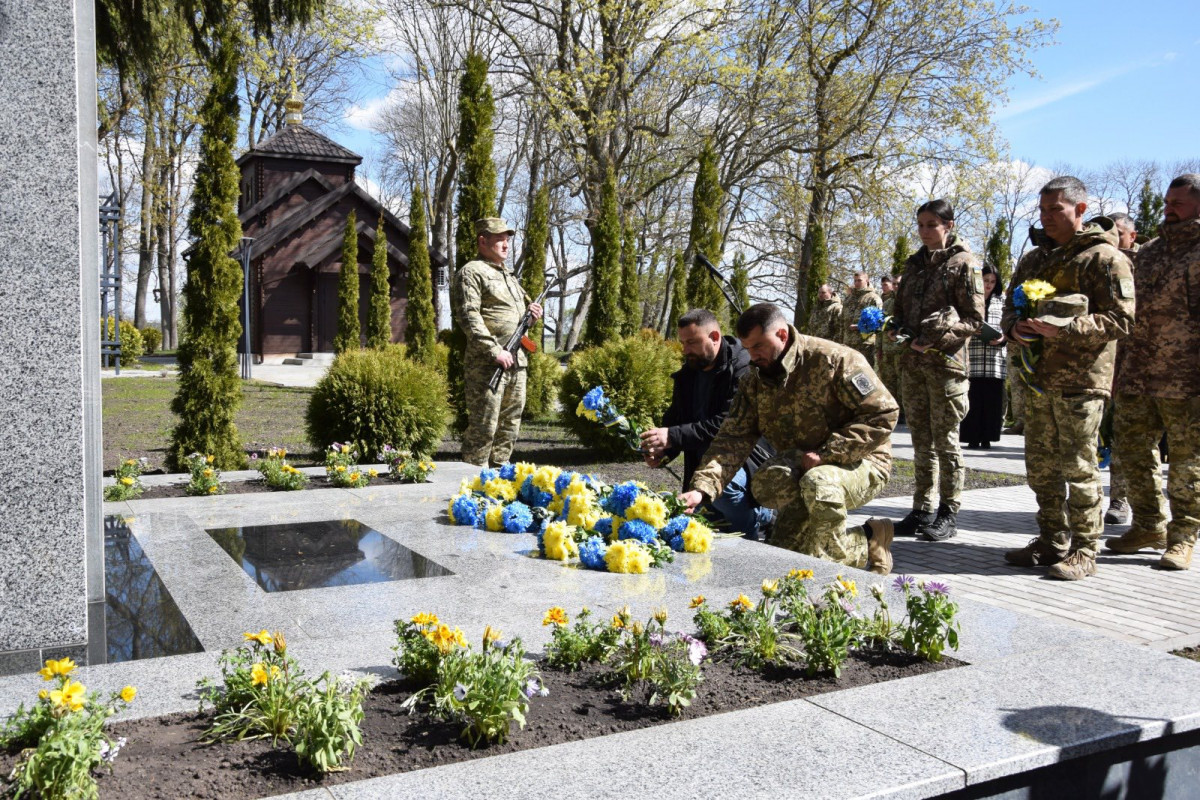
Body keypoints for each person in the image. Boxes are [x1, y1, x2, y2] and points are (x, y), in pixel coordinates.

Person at [678, 303, 899, 574]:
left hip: (862, 461)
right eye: (747, 348)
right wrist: (702, 488)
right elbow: (732, 438)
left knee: (816, 506)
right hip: (802, 467)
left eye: (759, 346)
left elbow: (884, 413)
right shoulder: (755, 382)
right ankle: (869, 537)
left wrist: (828, 453)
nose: (752, 356)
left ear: (782, 335)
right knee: (782, 553)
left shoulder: (833, 360)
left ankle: (846, 557)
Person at [1001, 176, 1135, 581]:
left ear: (1080, 210)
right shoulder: (1033, 260)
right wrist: (1015, 329)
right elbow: (1008, 308)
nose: (1046, 218)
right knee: (1040, 468)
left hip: (1081, 380)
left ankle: (1084, 549)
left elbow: (1122, 319)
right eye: (1042, 210)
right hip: (1038, 379)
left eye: (1055, 210)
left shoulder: (1105, 259)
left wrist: (1066, 330)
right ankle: (1051, 540)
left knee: (1079, 466)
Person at [1105, 175, 1200, 569]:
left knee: (1185, 460)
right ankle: (1148, 525)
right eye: (1167, 201)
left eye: (1178, 202)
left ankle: (1183, 537)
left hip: (1185, 377)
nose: (1169, 208)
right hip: (1136, 373)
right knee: (1131, 452)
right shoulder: (1149, 252)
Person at [889, 200, 985, 541]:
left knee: (946, 441)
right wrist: (894, 327)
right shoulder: (914, 265)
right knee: (921, 442)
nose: (925, 231)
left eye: (931, 224)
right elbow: (899, 310)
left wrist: (937, 339)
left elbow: (975, 320)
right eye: (920, 225)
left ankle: (948, 512)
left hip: (946, 365)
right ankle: (921, 509)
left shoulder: (963, 263)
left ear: (948, 224)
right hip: (913, 364)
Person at [639, 309, 776, 539]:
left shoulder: (743, 367)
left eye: (692, 342)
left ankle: (760, 520)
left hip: (746, 455)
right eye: (683, 342)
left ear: (714, 337)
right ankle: (751, 519)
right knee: (700, 517)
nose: (685, 350)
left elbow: (727, 423)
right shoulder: (688, 373)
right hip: (704, 460)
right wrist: (664, 452)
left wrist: (672, 436)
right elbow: (677, 419)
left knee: (721, 491)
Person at [450, 217, 543, 466]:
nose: (506, 244)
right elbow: (469, 316)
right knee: (484, 427)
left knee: (509, 426)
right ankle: (472, 484)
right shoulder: (471, 272)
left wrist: (531, 317)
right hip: (487, 364)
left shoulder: (509, 276)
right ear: (483, 240)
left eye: (507, 239)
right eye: (500, 239)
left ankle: (500, 481)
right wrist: (494, 350)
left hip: (516, 361)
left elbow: (514, 320)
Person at [1102, 211, 1140, 525]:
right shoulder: (1100, 263)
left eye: (1120, 233)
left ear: (1133, 236)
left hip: (1149, 366)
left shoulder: (1148, 264)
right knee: (1118, 437)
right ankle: (1118, 501)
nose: (1114, 239)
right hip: (1111, 366)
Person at [960, 263, 1008, 449]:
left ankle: (988, 437)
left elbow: (1007, 326)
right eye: (985, 280)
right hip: (973, 356)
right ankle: (972, 437)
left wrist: (1003, 338)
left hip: (995, 359)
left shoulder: (1001, 301)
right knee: (973, 398)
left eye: (992, 282)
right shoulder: (970, 299)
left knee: (992, 400)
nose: (988, 285)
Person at [839, 272, 883, 367]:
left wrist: (860, 327)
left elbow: (878, 323)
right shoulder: (848, 299)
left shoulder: (873, 298)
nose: (856, 283)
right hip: (847, 344)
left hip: (864, 345)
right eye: (855, 280)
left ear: (867, 281)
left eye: (859, 280)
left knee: (864, 374)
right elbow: (842, 322)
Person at [877, 275, 903, 415]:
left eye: (899, 284)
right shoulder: (887, 303)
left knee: (903, 383)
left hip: (902, 349)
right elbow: (881, 328)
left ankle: (903, 412)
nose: (896, 286)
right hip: (887, 349)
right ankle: (892, 411)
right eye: (894, 284)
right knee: (888, 381)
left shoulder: (909, 302)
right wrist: (879, 348)